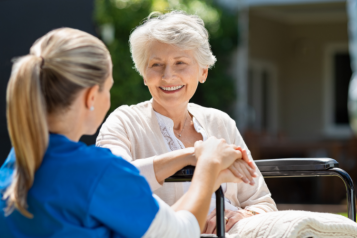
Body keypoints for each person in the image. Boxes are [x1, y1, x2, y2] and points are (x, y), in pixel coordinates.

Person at [0, 27, 244, 238]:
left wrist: (189, 155)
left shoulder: (13, 168)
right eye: (108, 88)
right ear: (90, 97)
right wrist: (208, 167)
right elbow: (180, 233)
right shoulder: (99, 173)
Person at [96, 11, 277, 235]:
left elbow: (263, 203)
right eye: (156, 65)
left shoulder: (220, 122)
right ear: (144, 74)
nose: (168, 76)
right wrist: (195, 155)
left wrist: (242, 216)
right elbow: (113, 183)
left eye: (180, 63)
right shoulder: (123, 122)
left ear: (203, 72)